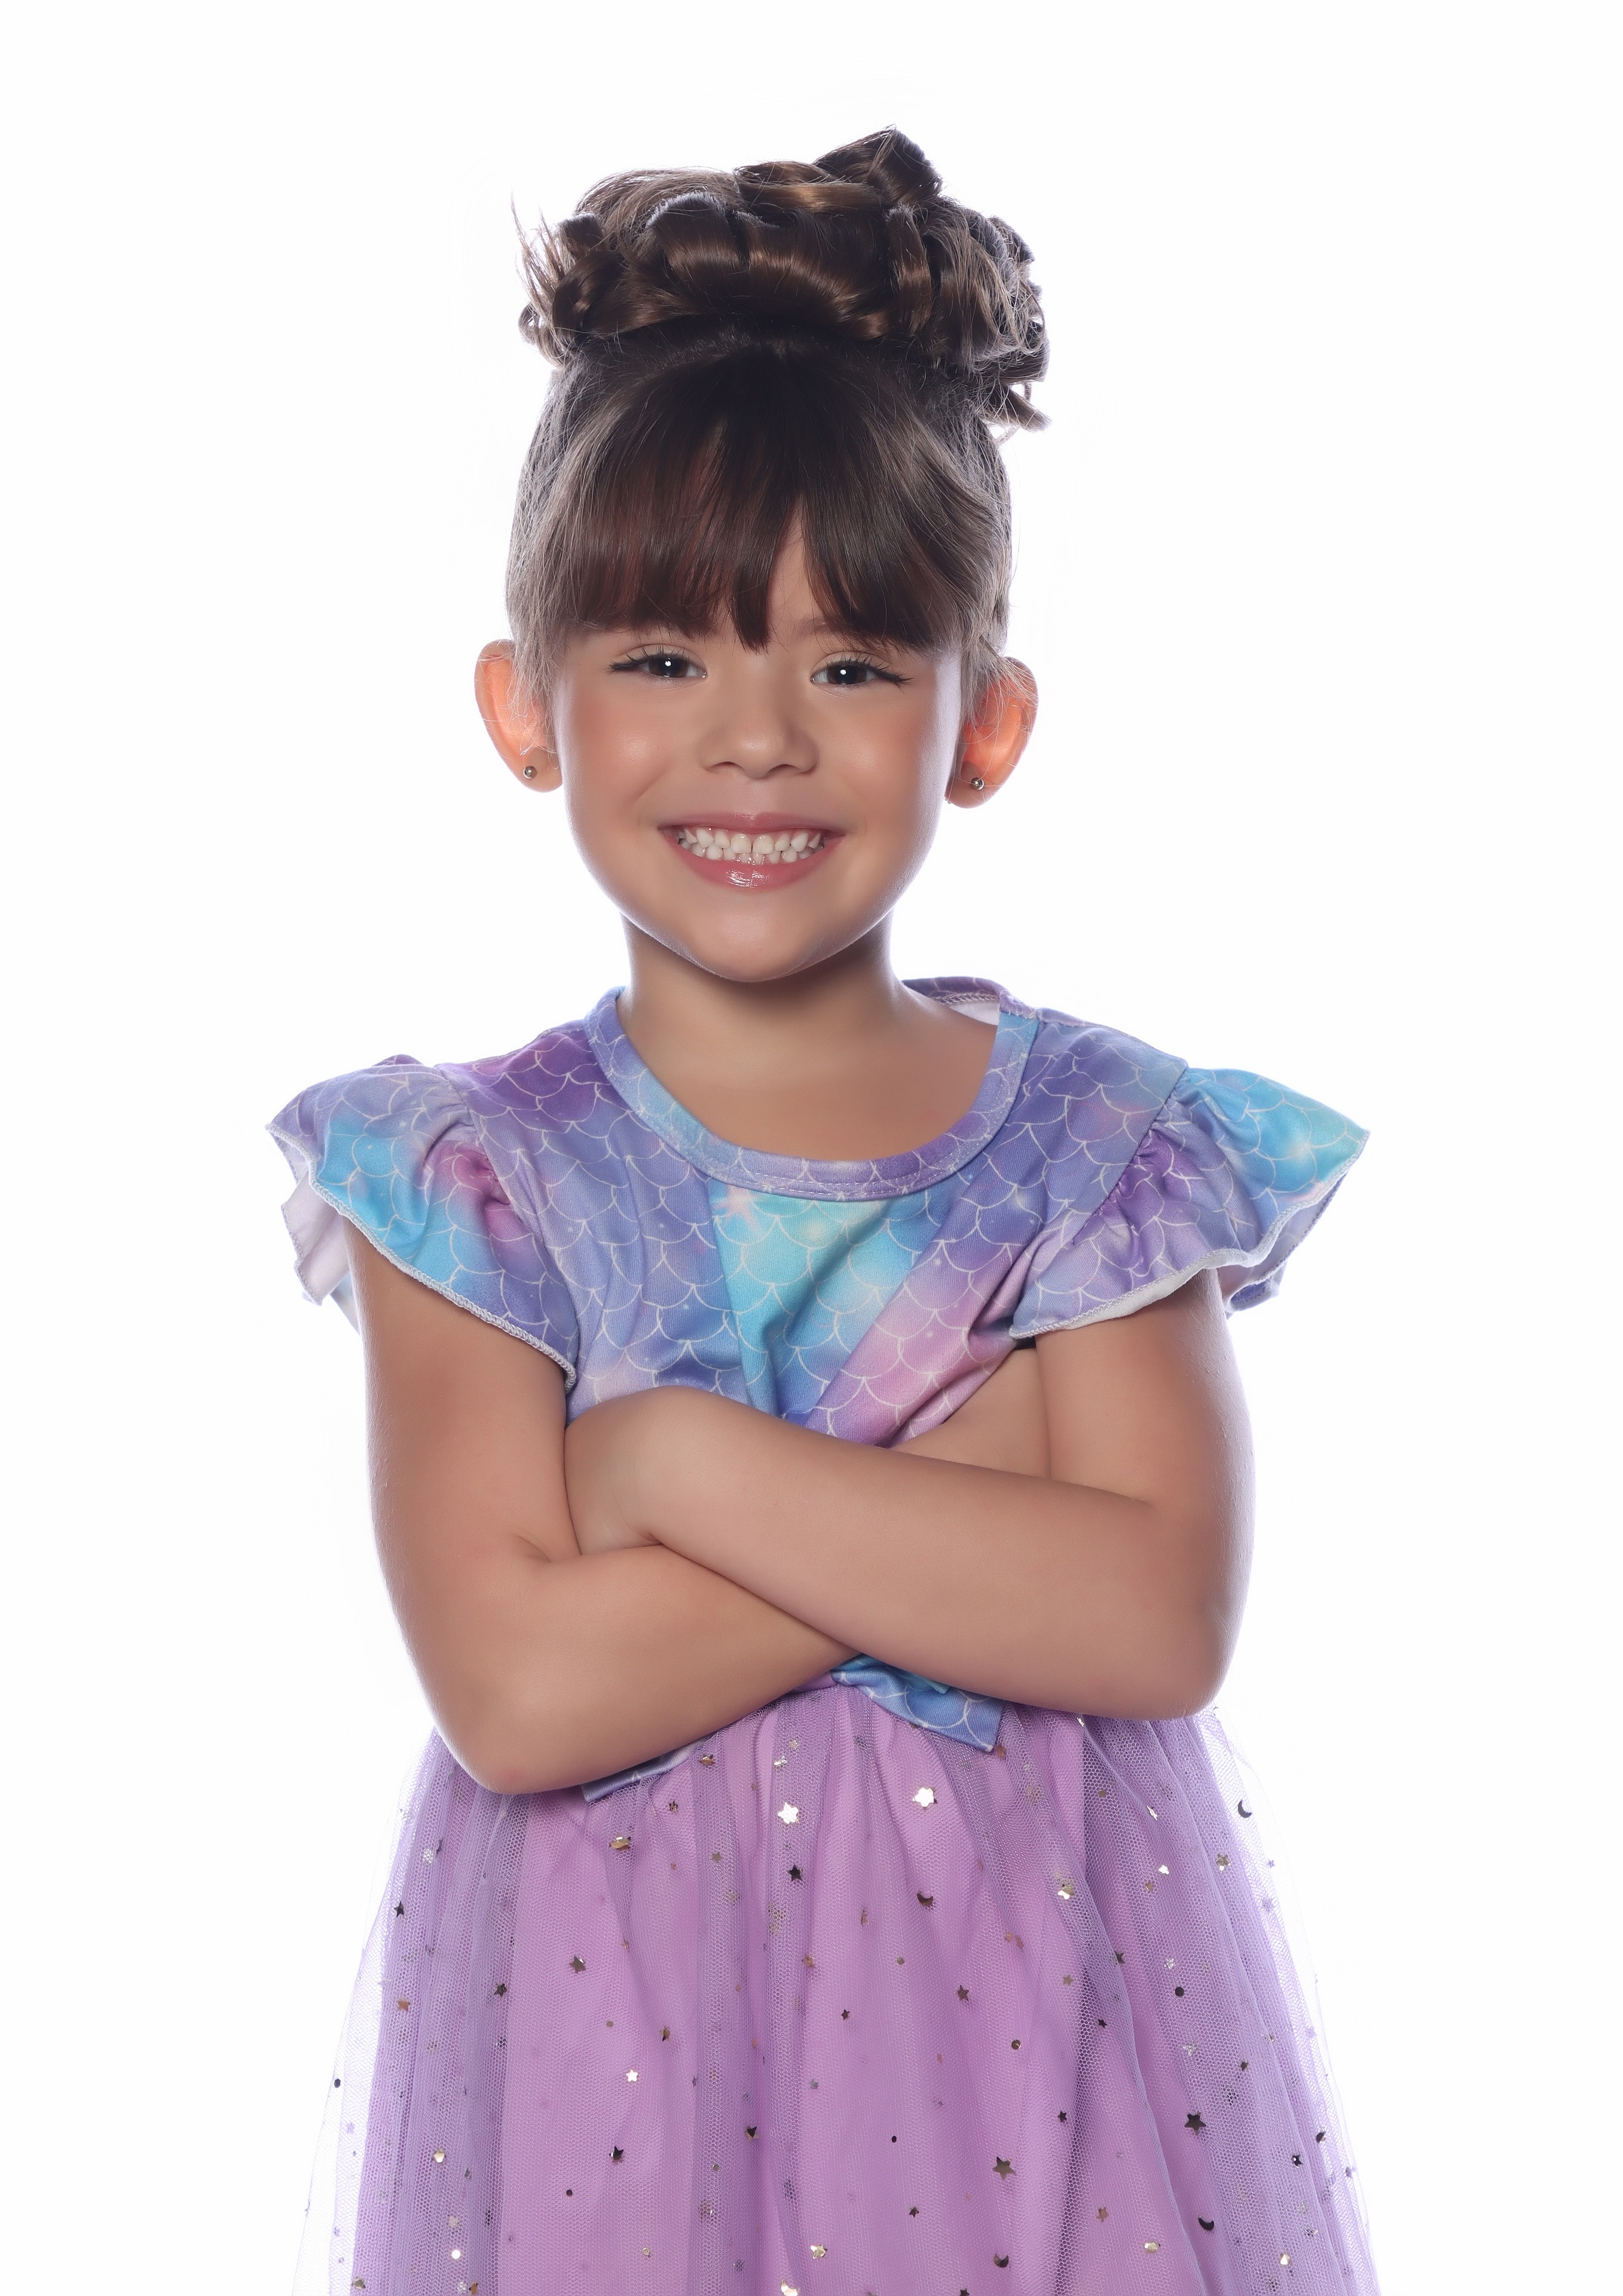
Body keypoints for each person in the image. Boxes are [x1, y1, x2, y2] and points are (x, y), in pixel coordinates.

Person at [271, 127, 1379, 2296]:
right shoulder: (473, 1176)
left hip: (1048, 2045)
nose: (760, 741)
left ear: (985, 722)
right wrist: (968, 1489)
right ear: (526, 708)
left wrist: (674, 1462)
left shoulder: (1096, 1146)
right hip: (614, 2066)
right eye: (664, 661)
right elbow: (521, 1687)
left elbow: (1150, 1616)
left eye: (855, 667)